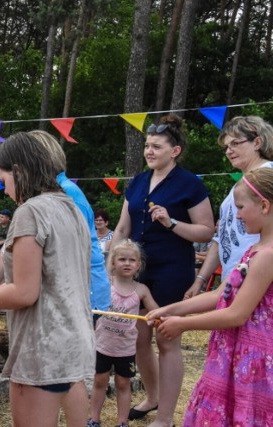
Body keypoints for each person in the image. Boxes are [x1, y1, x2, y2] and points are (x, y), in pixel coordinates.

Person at [0, 131, 95, 427]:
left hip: (42, 346)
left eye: (4, 181)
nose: (4, 191)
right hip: (73, 340)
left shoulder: (30, 212)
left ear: (18, 171)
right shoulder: (70, 207)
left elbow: (24, 292)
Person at [110, 114, 215, 427]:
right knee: (138, 339)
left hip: (172, 269)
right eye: (147, 145)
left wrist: (171, 222)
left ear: (175, 151)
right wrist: (110, 268)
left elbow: (207, 231)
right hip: (135, 272)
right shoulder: (139, 181)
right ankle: (152, 398)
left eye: (156, 146)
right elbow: (122, 227)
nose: (149, 151)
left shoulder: (190, 184)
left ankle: (166, 417)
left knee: (167, 339)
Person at [148, 168, 273, 426]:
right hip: (233, 353)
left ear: (264, 205)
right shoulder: (255, 249)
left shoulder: (268, 255)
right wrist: (171, 309)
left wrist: (182, 324)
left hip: (255, 360)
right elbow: (220, 293)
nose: (236, 215)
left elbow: (237, 314)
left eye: (240, 207)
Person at [190, 116, 273, 298]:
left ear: (257, 142)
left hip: (259, 282)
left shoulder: (268, 176)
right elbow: (222, 238)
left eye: (235, 143)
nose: (229, 151)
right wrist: (200, 279)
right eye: (226, 147)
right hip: (234, 280)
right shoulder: (239, 187)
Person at [88, 240, 159, 427]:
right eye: (122, 259)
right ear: (113, 263)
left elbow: (155, 312)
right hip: (102, 344)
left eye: (131, 260)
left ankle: (122, 421)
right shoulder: (106, 283)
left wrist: (155, 317)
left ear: (138, 265)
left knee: (123, 384)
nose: (127, 263)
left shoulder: (141, 290)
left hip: (126, 349)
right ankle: (94, 419)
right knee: (99, 381)